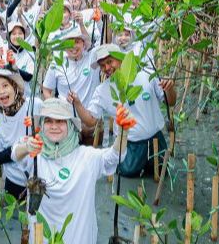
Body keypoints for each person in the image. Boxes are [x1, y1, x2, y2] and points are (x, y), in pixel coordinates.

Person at [11, 98, 131, 244]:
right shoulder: (36, 153)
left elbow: (115, 157)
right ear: (41, 125)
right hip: (41, 237)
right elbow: (15, 153)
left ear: (70, 125)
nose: (54, 126)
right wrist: (26, 147)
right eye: (48, 121)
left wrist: (123, 133)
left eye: (60, 121)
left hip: (79, 237)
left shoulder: (87, 156)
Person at [85, 43, 176, 177]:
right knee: (127, 174)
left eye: (110, 62)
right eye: (102, 65)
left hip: (156, 139)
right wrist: (76, 104)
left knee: (162, 173)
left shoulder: (147, 75)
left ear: (121, 58)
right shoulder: (103, 90)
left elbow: (171, 102)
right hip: (130, 145)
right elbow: (90, 120)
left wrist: (169, 88)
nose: (107, 68)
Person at [0, 69, 42, 200]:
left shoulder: (35, 105)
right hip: (15, 180)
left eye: (5, 85)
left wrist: (38, 131)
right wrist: (20, 148)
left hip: (42, 176)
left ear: (15, 87)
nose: (2, 91)